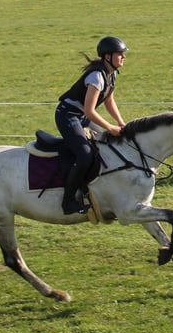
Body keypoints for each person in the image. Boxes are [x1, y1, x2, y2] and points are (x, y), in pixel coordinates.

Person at [55, 35, 129, 214]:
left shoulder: (110, 74)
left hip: (81, 116)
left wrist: (120, 122)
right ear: (107, 56)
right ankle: (68, 202)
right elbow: (90, 111)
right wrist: (110, 128)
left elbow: (109, 100)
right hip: (68, 115)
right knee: (85, 155)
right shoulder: (97, 76)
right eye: (120, 54)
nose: (124, 57)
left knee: (104, 146)